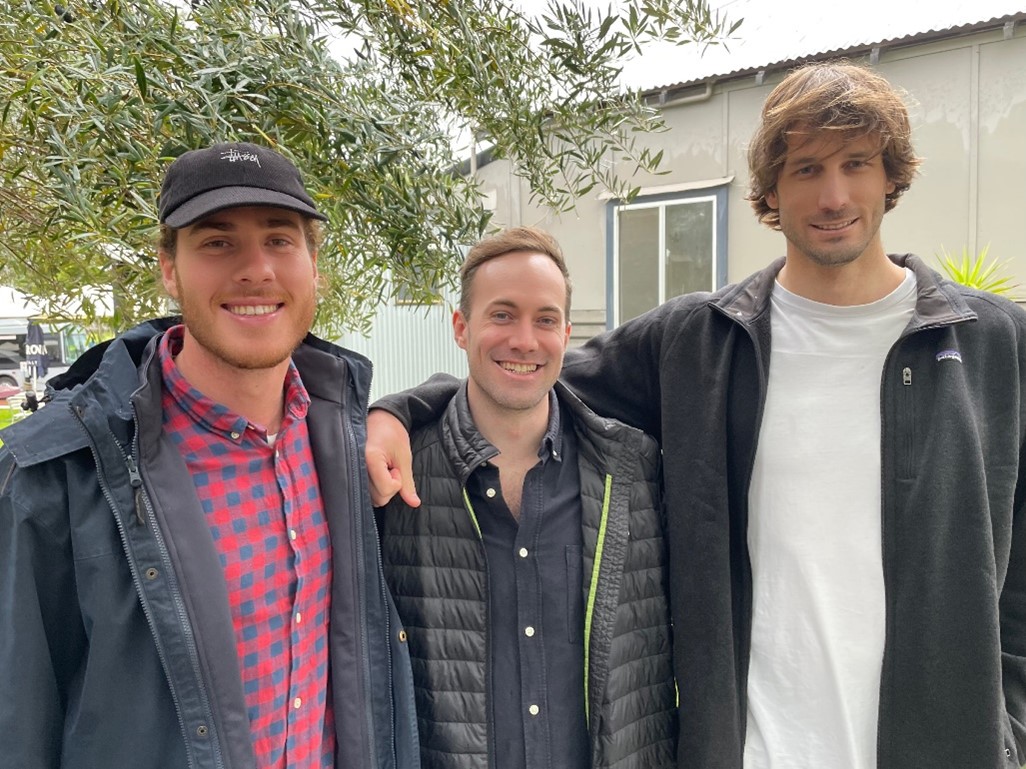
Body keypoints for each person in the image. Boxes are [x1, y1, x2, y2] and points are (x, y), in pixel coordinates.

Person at [365, 62, 1026, 768]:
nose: (833, 194)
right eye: (805, 169)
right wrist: (398, 409)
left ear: (890, 174)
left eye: (856, 164)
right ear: (771, 189)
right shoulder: (700, 341)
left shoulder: (992, 341)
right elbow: (530, 374)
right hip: (750, 749)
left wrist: (1008, 722)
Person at [0, 141, 418, 769]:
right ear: (168, 268)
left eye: (280, 240)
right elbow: (19, 720)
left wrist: (406, 408)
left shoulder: (345, 442)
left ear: (313, 265)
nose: (256, 270)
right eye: (218, 243)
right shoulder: (57, 472)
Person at [376, 227, 675, 769]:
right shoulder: (395, 477)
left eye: (544, 319)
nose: (524, 340)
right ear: (461, 328)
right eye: (502, 315)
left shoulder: (634, 474)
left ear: (565, 332)